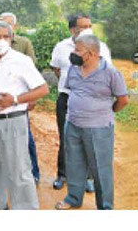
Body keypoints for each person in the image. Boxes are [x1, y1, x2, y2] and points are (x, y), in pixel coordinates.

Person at [0, 21, 49, 210]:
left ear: (11, 38)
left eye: (5, 37)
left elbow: (43, 89)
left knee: (19, 169)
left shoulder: (21, 61)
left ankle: (25, 209)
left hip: (12, 120)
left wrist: (15, 99)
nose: (1, 40)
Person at [54, 35, 128, 210]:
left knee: (101, 169)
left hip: (99, 129)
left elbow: (123, 100)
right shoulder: (73, 68)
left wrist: (107, 113)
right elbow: (73, 91)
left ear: (92, 53)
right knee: (73, 163)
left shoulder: (110, 72)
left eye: (78, 50)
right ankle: (73, 198)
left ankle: (105, 206)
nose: (73, 53)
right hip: (72, 124)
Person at [50, 14, 112, 192]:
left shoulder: (102, 47)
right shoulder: (61, 47)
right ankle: (62, 175)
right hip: (67, 97)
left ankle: (88, 177)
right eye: (83, 26)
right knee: (65, 137)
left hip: (91, 100)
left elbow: (106, 69)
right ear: (73, 29)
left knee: (89, 138)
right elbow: (57, 69)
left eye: (89, 25)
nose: (87, 29)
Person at [0, 12, 41, 184]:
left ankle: (33, 172)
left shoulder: (24, 43)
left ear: (15, 27)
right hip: (0, 101)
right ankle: (8, 172)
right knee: (2, 138)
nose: (6, 28)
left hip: (19, 99)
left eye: (9, 25)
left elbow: (33, 72)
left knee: (25, 136)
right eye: (3, 24)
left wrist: (31, 98)